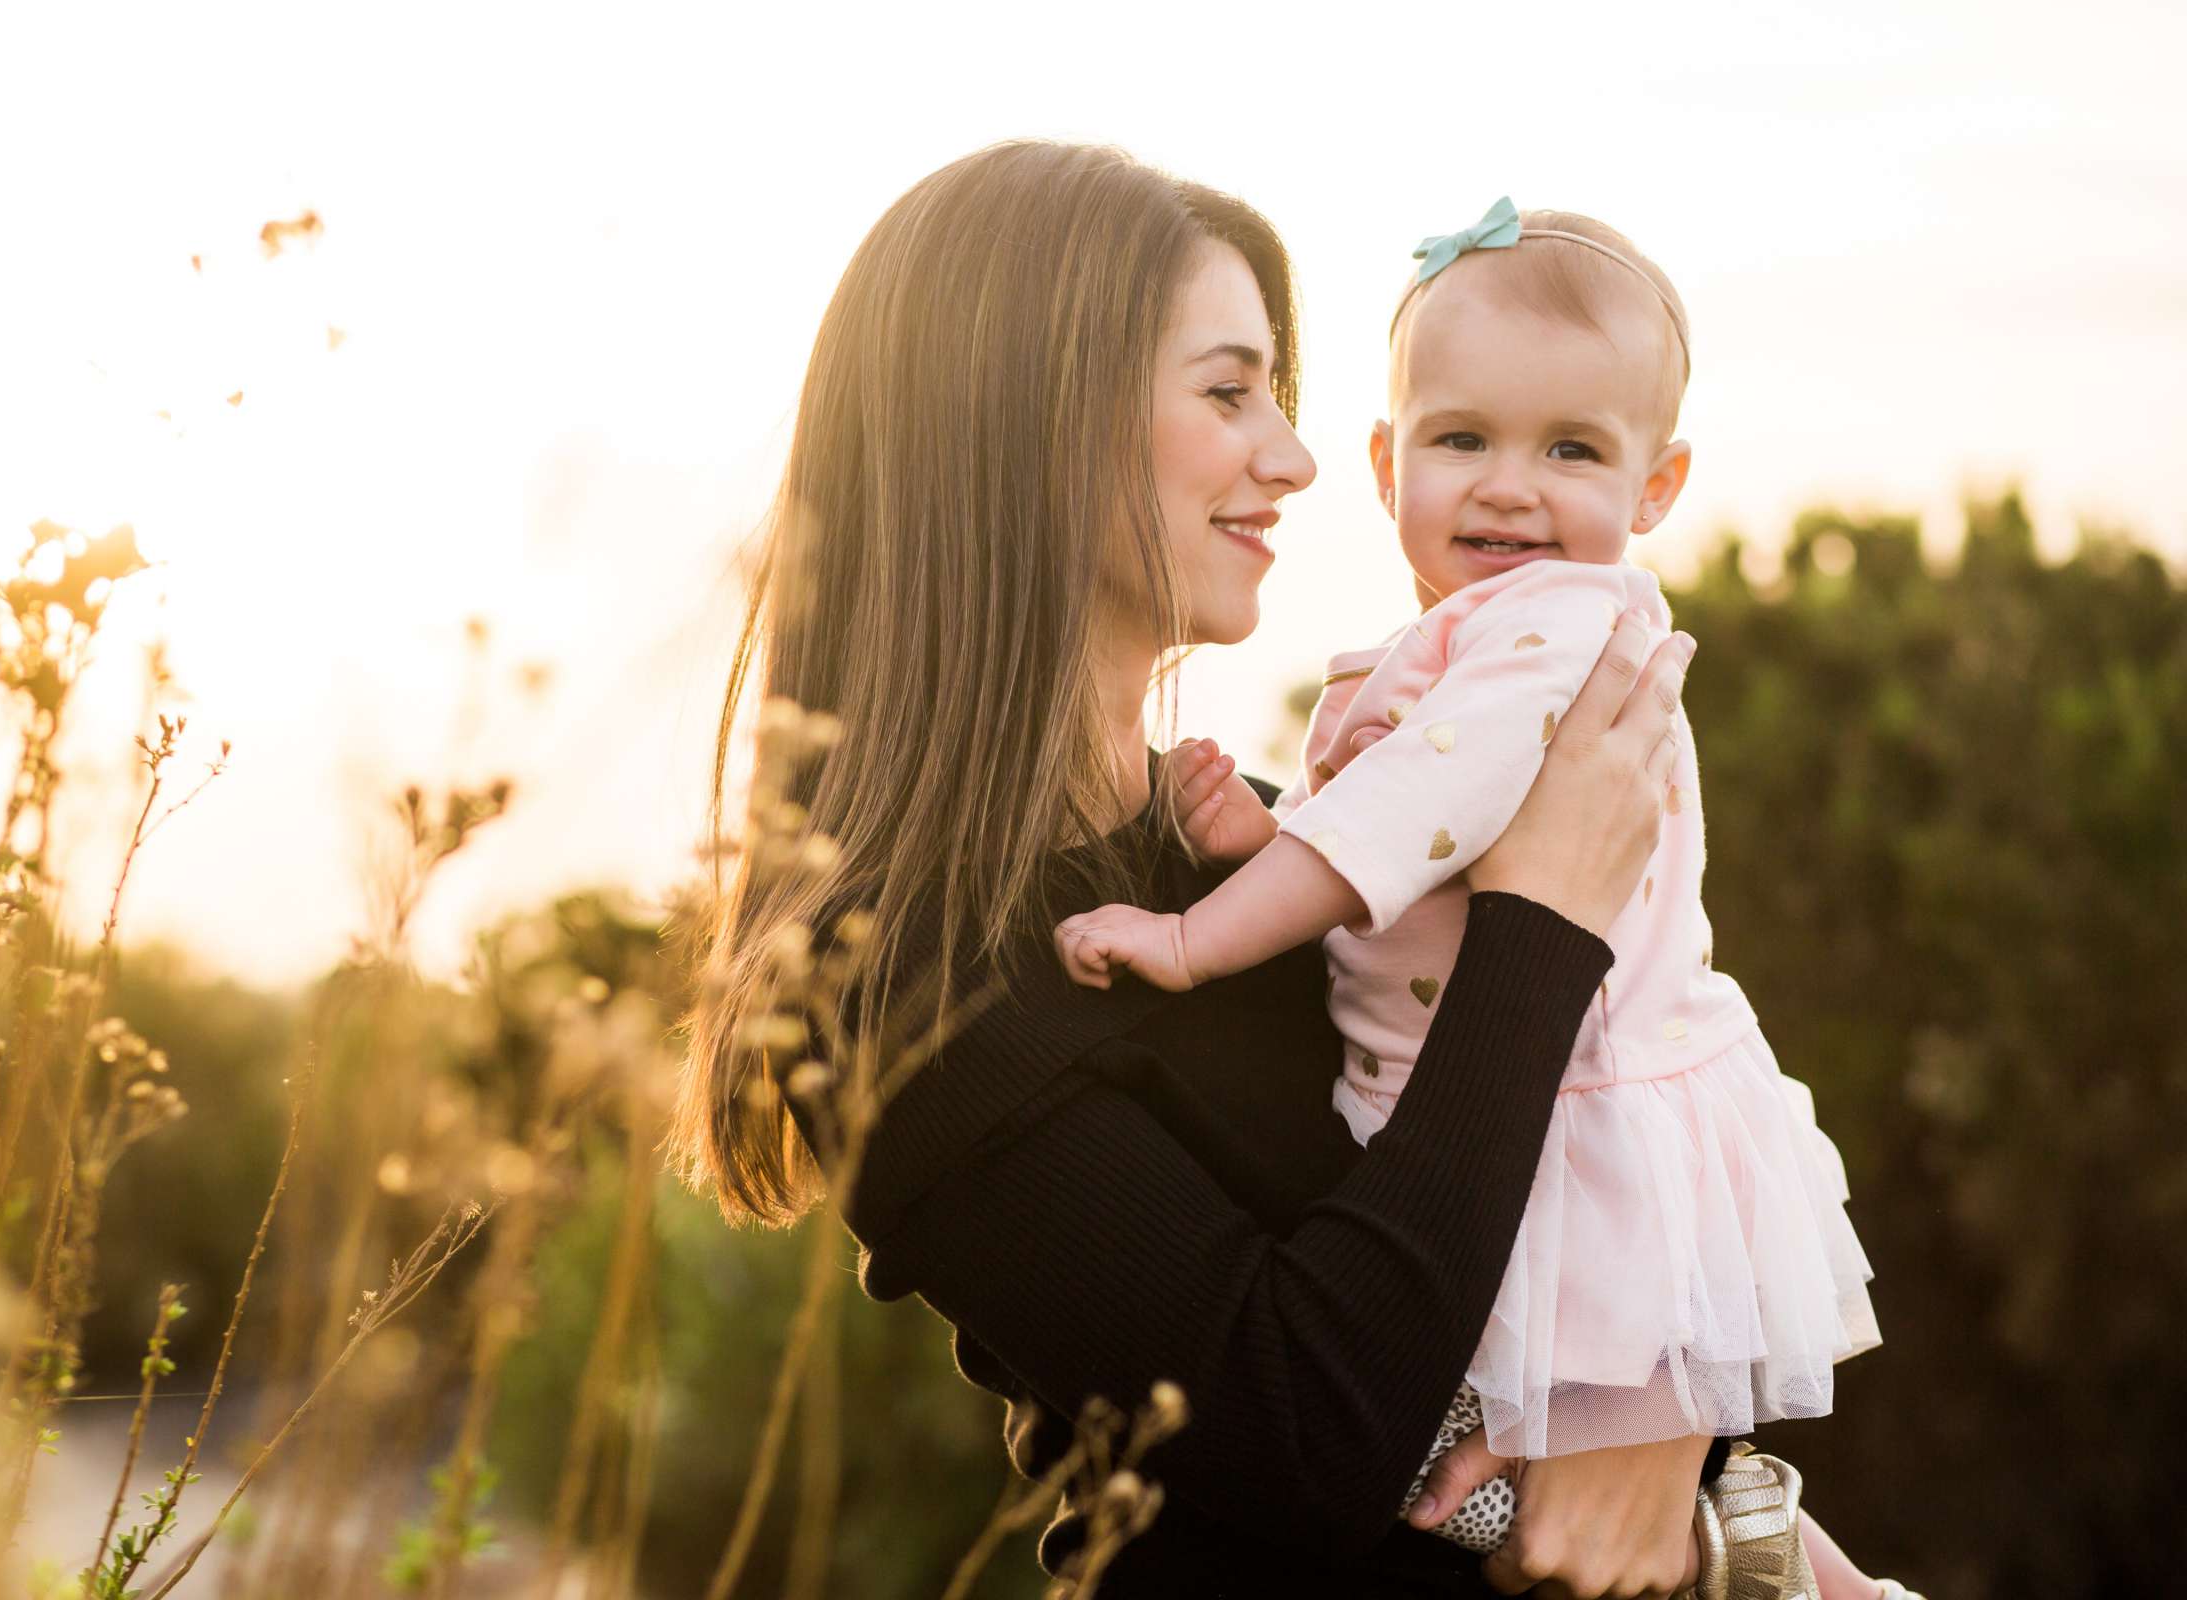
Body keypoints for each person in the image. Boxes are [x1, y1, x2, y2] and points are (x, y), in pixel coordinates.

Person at [679, 142, 1713, 1597]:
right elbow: (1304, 1436)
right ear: (1023, 425)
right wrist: (1541, 925)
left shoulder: (1282, 853)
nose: (1290, 461)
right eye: (1229, 395)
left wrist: (1683, 1435)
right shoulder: (895, 979)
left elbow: (1595, 1183)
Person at [1053, 200, 1883, 1591]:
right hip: (1505, 1125)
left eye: (1571, 449)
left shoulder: (1558, 625)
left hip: (1589, 1111)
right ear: (1394, 465)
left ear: (1657, 486)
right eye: (1462, 440)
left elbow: (1416, 820)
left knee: (1581, 1422)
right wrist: (1272, 838)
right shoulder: (1457, 645)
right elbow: (1412, 855)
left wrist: (1202, 930)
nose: (1510, 487)